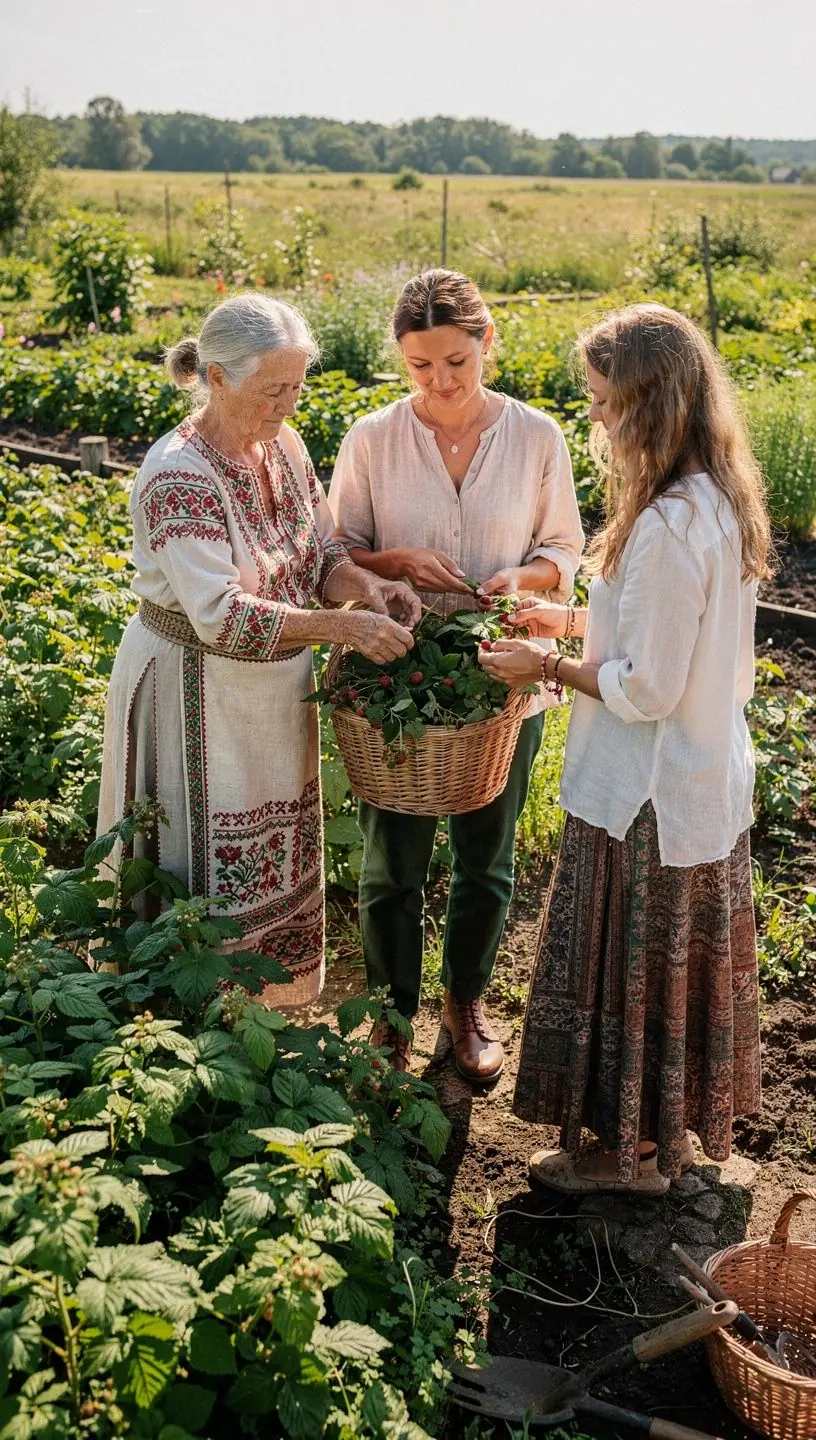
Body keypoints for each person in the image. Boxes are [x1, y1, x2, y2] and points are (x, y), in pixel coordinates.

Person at [478, 302, 770, 1193]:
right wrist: (570, 616)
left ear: (650, 405)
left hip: (648, 792)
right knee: (669, 978)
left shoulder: (673, 525)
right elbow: (661, 629)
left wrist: (546, 665)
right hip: (696, 776)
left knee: (636, 978)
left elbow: (647, 688)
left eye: (606, 401)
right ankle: (649, 1144)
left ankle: (635, 1160)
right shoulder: (710, 499)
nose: (596, 417)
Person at [97, 294, 419, 1006]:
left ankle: (266, 1009)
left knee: (272, 842)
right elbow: (220, 615)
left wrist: (362, 587)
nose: (287, 405)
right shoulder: (178, 473)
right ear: (216, 378)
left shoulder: (285, 446)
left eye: (296, 386)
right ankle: (182, 1018)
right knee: (195, 855)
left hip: (274, 692)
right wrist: (344, 628)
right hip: (196, 688)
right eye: (272, 389)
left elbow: (319, 552)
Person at [328, 269, 584, 1081]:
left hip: (504, 675)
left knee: (488, 855)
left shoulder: (537, 436)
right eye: (418, 367)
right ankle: (391, 1013)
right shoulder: (372, 437)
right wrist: (392, 562)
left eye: (455, 363)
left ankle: (465, 1003)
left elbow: (565, 550)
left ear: (488, 344)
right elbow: (332, 554)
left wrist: (523, 579)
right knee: (392, 860)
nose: (438, 383)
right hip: (399, 676)